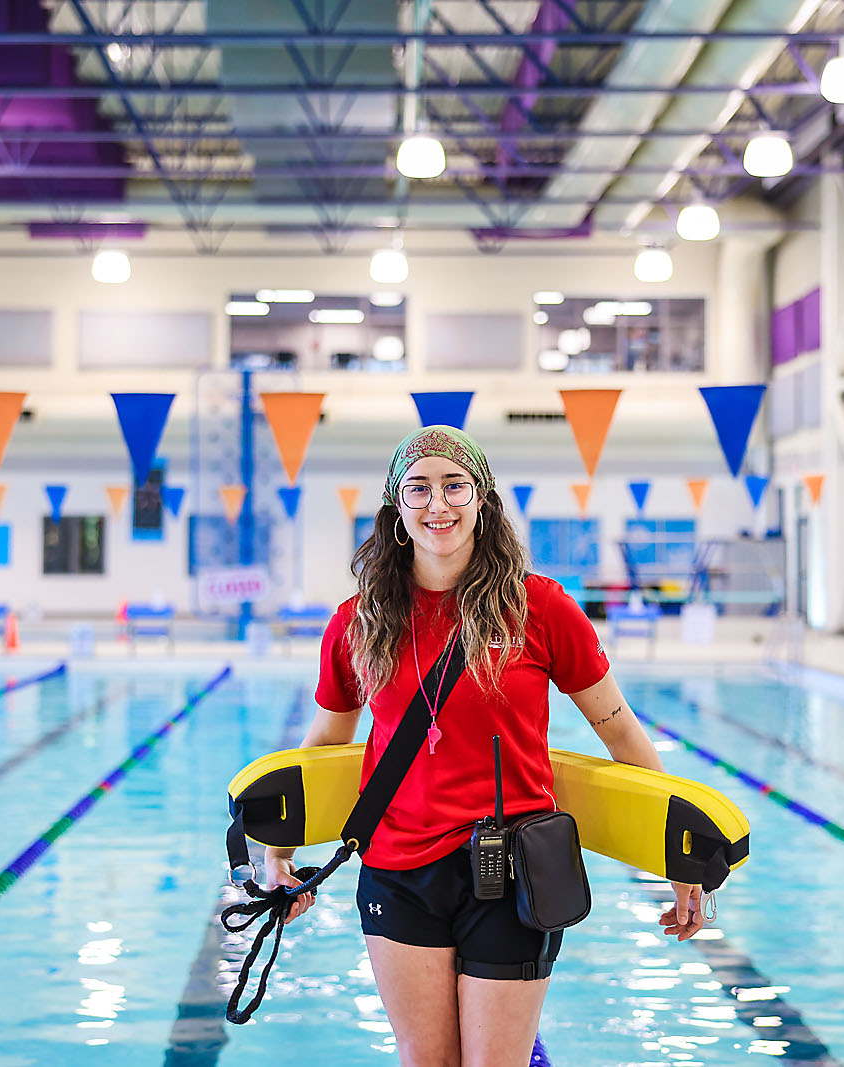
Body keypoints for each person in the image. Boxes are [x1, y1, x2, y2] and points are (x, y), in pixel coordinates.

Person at [264, 426, 706, 1067]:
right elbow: (327, 742)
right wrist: (278, 853)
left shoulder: (540, 608)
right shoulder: (359, 621)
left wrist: (679, 857)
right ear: (395, 506)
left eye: (455, 485)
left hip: (513, 869)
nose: (437, 503)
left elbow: (620, 732)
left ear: (482, 500)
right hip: (397, 870)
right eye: (418, 488)